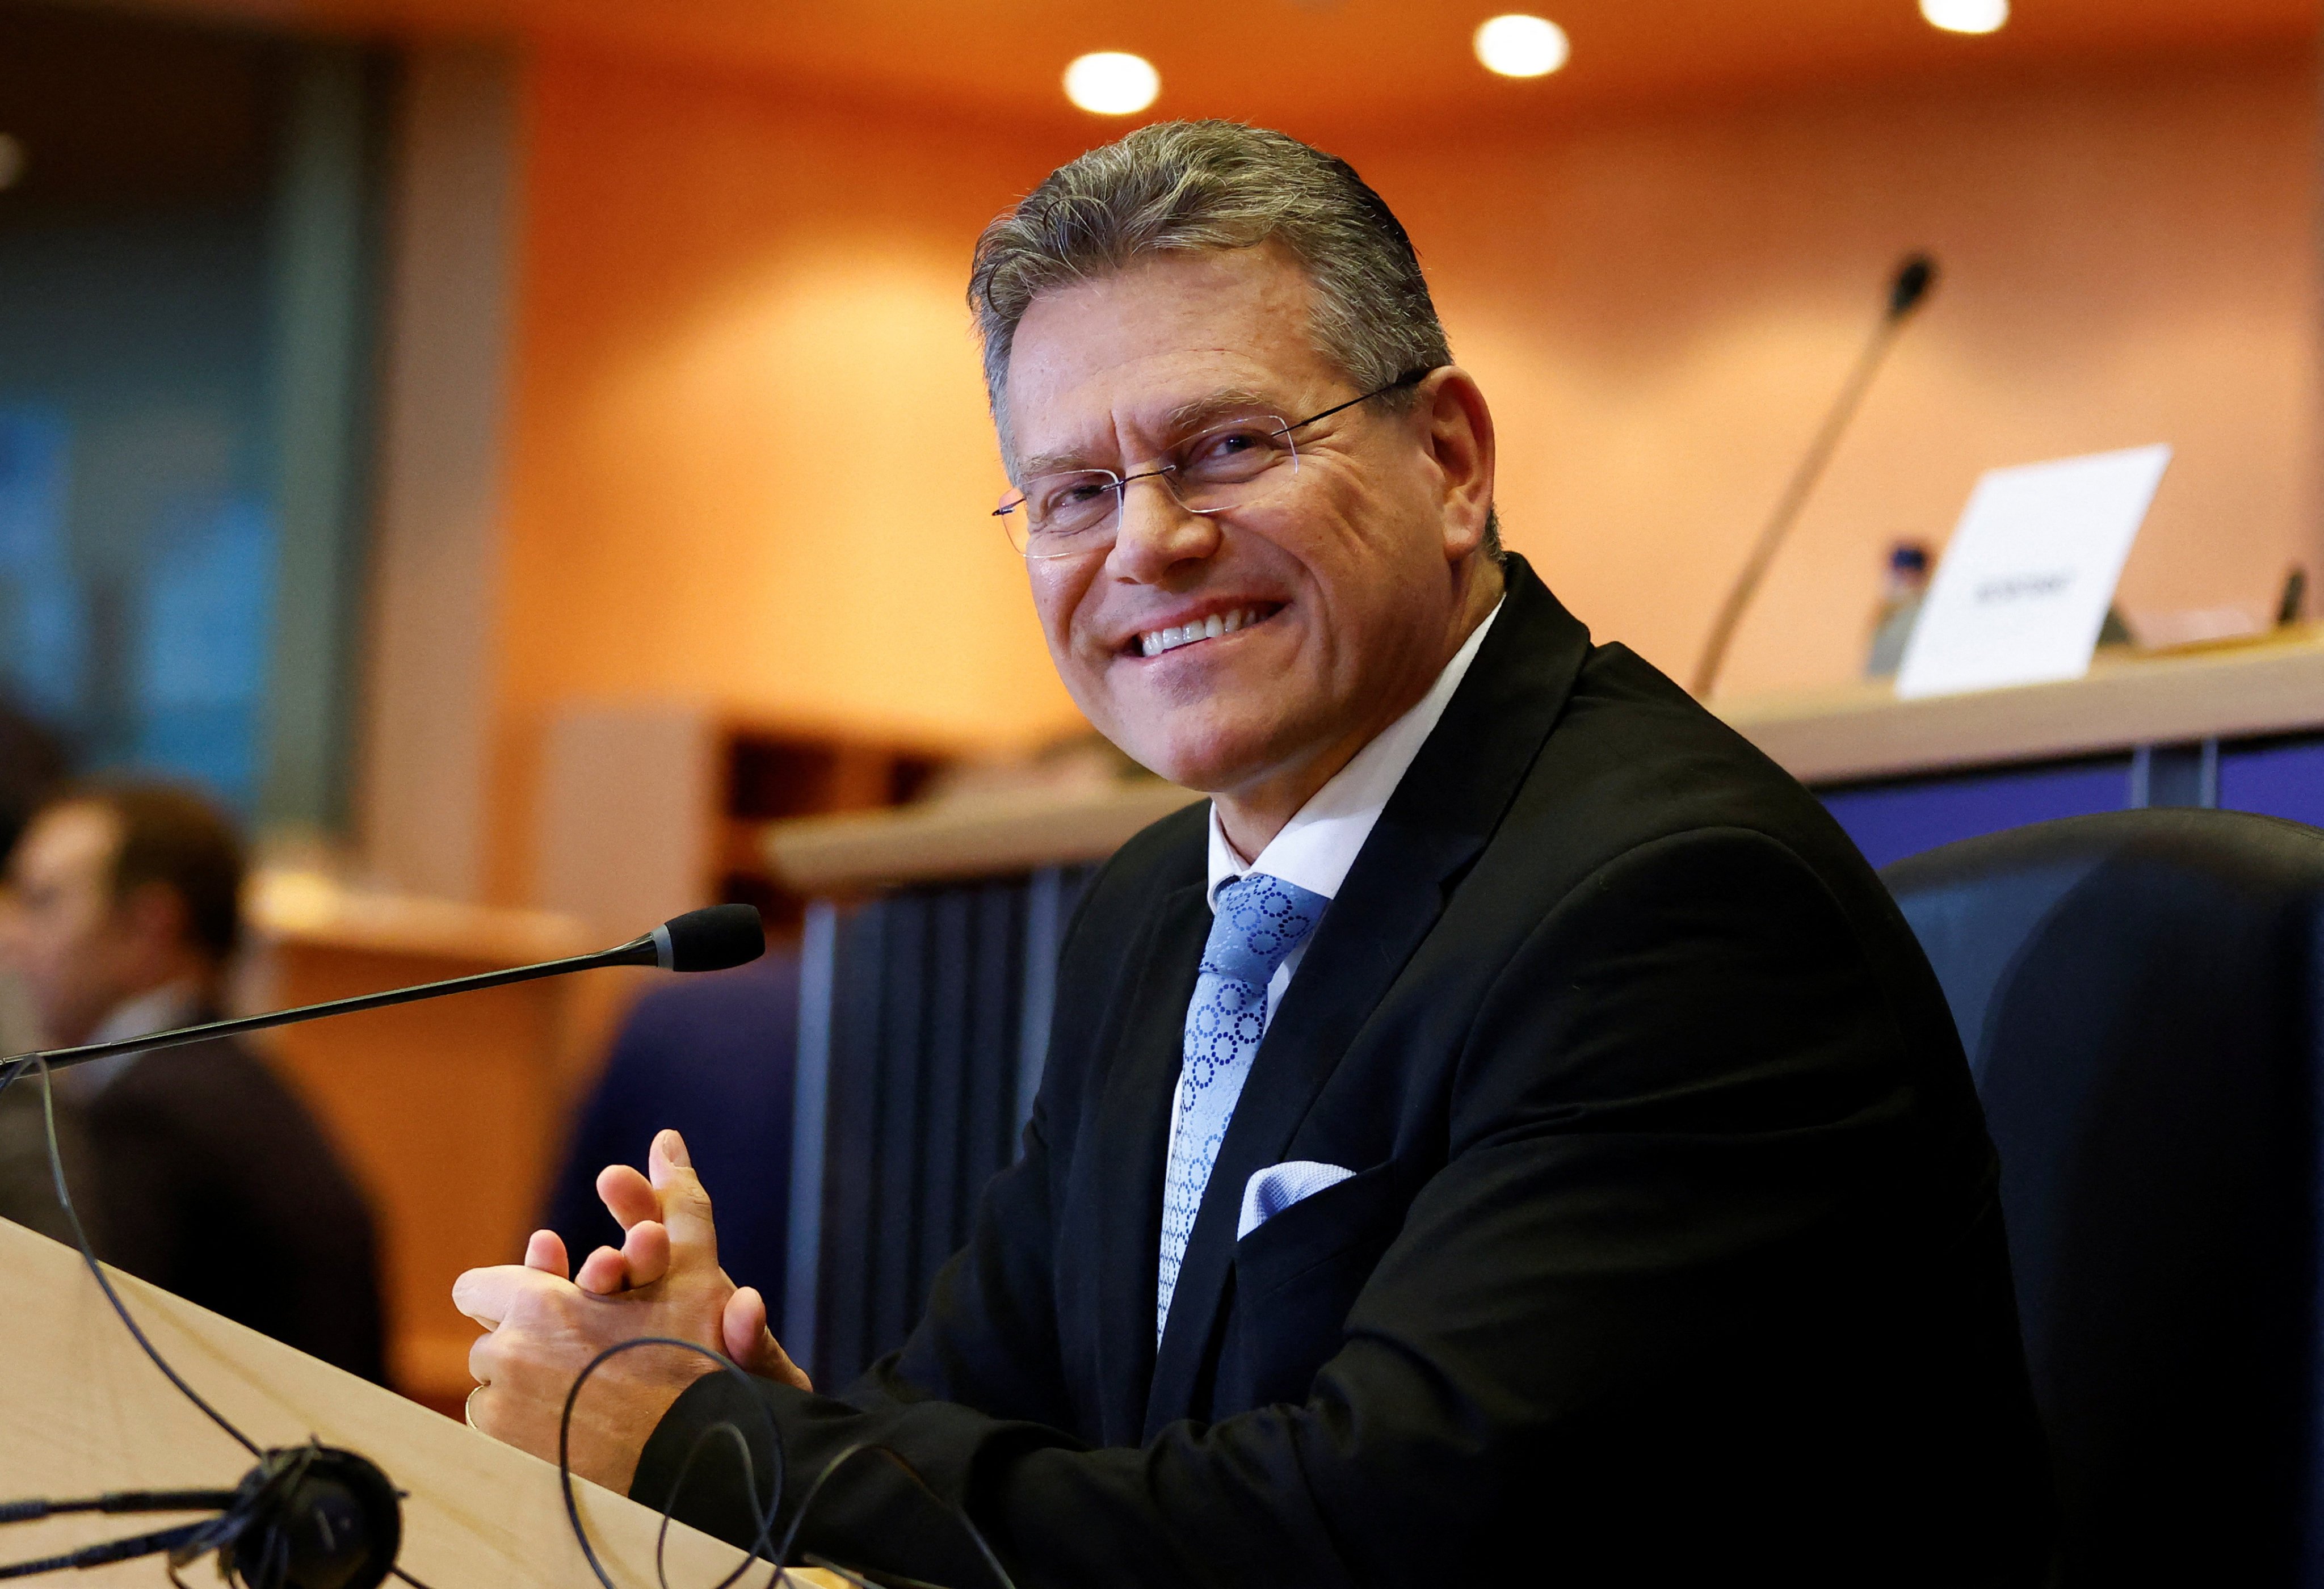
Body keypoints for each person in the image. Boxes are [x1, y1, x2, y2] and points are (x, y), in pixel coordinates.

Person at [457, 122, 2053, 1584]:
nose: (1147, 542)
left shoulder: (1669, 909)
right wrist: (739, 1405)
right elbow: (989, 1405)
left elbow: (1360, 1536)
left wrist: (703, 1444)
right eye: (1073, 491)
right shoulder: (1158, 903)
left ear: (1449, 461)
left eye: (1224, 445)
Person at [0, 781, 387, 1382]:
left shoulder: (153, 1113)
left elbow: (105, 1372)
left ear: (149, 928)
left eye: (44, 901)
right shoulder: (227, 1081)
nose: (14, 937)